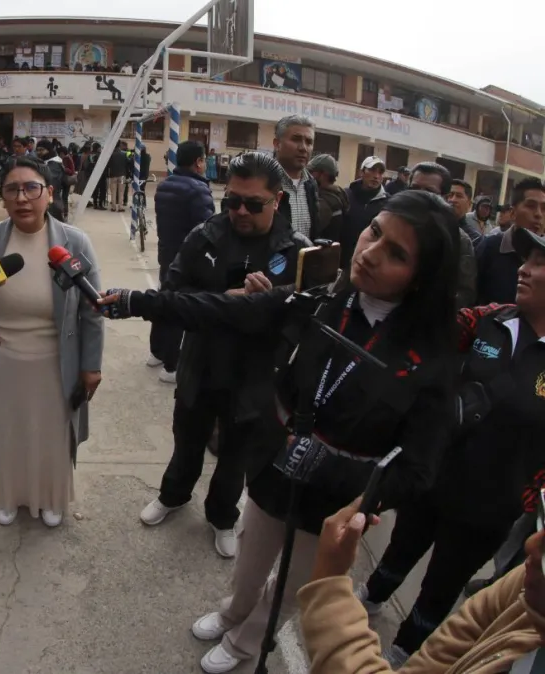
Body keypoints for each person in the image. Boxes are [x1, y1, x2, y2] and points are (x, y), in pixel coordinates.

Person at [100, 189, 460, 673]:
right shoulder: (317, 301)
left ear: (422, 279)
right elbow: (217, 309)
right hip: (274, 472)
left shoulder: (430, 361)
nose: (370, 254)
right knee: (249, 563)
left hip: (333, 508)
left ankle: (248, 643)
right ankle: (233, 613)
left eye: (397, 254)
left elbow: (417, 470)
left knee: (291, 587)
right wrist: (135, 301)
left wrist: (340, 475)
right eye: (374, 232)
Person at [354, 227, 545, 666]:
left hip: (489, 509)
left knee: (441, 586)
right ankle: (372, 595)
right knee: (401, 547)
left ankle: (405, 651)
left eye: (538, 264)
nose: (524, 269)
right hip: (434, 478)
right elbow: (432, 330)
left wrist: (525, 497)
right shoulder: (489, 319)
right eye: (525, 259)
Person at [138, 153, 311, 560]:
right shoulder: (205, 235)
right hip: (201, 363)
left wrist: (267, 304)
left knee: (235, 456)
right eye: (232, 200)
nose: (240, 212)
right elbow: (171, 295)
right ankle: (173, 495)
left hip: (256, 375)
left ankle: (221, 516)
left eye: (253, 204)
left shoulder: (297, 250)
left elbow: (306, 319)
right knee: (187, 441)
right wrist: (225, 301)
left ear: (278, 201)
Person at [0, 157, 104, 527]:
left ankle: (50, 497)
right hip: (1, 358)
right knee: (6, 430)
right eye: (12, 189)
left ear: (49, 193)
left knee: (50, 433)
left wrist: (91, 365)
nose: (22, 198)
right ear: (2, 197)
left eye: (32, 188)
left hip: (55, 360)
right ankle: (8, 495)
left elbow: (92, 309)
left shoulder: (74, 243)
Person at [299, 501, 545, 673]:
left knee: (438, 592)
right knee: (402, 552)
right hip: (445, 494)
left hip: (483, 518)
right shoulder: (524, 590)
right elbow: (445, 651)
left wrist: (329, 585)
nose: (531, 545)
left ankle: (400, 649)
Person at [149, 140, 215, 384]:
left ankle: (156, 352)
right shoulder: (198, 190)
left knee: (163, 298)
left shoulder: (165, 184)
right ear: (198, 161)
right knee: (180, 306)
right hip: (187, 257)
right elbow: (207, 229)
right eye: (204, 159)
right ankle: (172, 365)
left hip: (166, 250)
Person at [408, 162, 477, 308]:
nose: (419, 195)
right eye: (414, 188)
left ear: (444, 198)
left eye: (429, 191)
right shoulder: (388, 225)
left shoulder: (460, 240)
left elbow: (464, 292)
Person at [477, 177, 545, 305]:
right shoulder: (490, 247)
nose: (539, 214)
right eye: (531, 206)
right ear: (513, 213)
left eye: (544, 208)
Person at [272, 115, 320, 239]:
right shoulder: (263, 181)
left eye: (309, 142)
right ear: (277, 144)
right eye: (296, 139)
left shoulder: (311, 184)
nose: (303, 148)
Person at [342, 156, 388, 270]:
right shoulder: (345, 195)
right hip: (341, 263)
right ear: (361, 172)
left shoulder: (388, 203)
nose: (376, 176)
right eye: (372, 170)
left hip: (368, 264)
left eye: (380, 172)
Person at [306, 153, 348, 242]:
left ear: (323, 174)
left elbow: (306, 229)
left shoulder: (326, 202)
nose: (308, 175)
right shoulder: (337, 195)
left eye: (311, 172)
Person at [446, 179, 484, 246]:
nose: (452, 200)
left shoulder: (475, 239)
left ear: (469, 204)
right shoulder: (433, 227)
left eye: (459, 196)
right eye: (450, 195)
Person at [35, 139, 66, 220]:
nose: (39, 152)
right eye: (37, 150)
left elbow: (50, 180)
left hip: (52, 201)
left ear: (49, 150)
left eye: (42, 150)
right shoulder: (46, 162)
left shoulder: (54, 164)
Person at [107, 142, 128, 212]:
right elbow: (127, 163)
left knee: (113, 191)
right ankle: (120, 207)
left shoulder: (111, 155)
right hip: (122, 175)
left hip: (113, 175)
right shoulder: (124, 154)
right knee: (121, 191)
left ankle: (113, 207)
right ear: (119, 146)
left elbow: (108, 165)